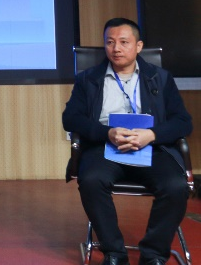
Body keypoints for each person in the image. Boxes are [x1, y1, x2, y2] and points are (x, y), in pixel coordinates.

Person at [62, 17, 193, 265]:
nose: (116, 48)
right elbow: (71, 118)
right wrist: (107, 133)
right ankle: (114, 252)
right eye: (110, 42)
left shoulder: (160, 78)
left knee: (175, 186)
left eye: (124, 42)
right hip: (105, 148)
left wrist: (151, 134)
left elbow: (183, 122)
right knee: (91, 180)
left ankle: (153, 254)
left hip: (152, 148)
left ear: (138, 46)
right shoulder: (88, 79)